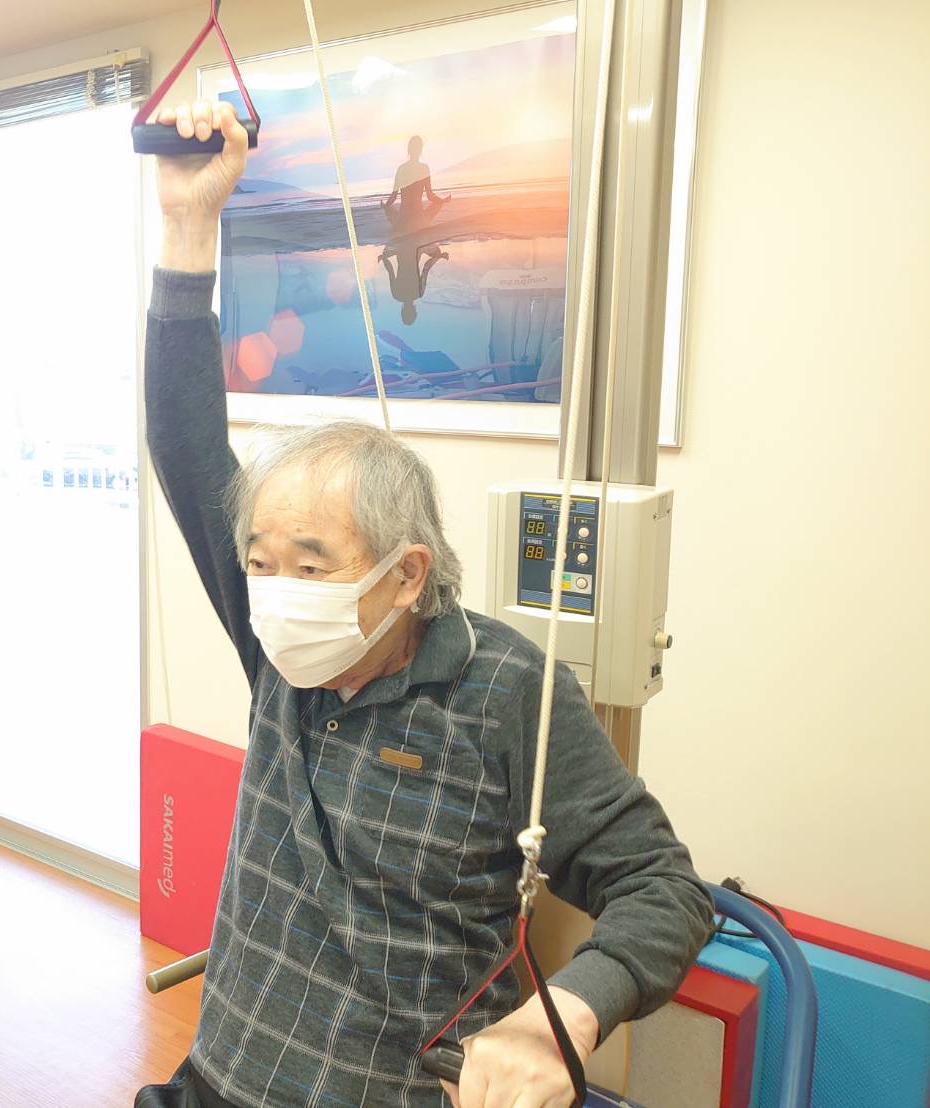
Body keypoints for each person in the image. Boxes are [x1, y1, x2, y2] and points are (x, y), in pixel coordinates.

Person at [137, 100, 713, 1108]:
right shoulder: (279, 650)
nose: (274, 592)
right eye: (260, 562)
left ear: (406, 575)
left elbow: (663, 888)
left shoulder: (504, 692)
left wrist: (564, 1012)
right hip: (217, 1082)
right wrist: (188, 229)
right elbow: (187, 449)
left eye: (310, 565)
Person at [384, 135, 450, 235]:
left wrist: (385, 206)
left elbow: (393, 197)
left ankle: (400, 223)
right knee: (438, 203)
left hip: (403, 221)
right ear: (420, 150)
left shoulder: (401, 169)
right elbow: (430, 196)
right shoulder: (424, 168)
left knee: (389, 209)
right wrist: (443, 201)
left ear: (408, 150)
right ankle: (421, 223)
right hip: (419, 220)